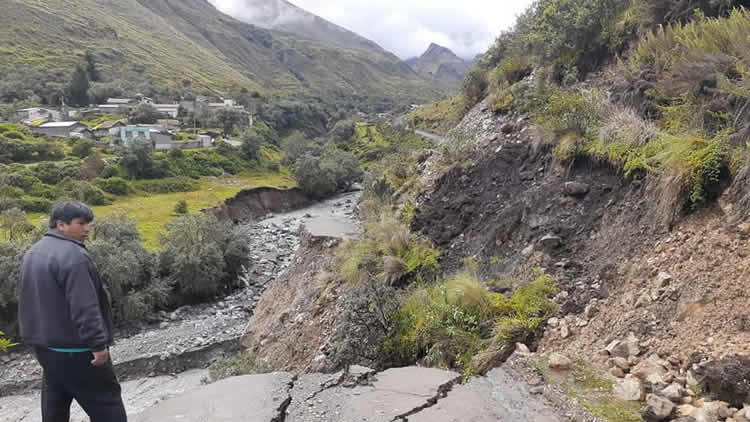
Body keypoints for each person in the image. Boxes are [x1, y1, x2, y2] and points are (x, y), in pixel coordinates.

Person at [18, 201, 126, 422]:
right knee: (107, 405)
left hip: (46, 348)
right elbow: (85, 306)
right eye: (81, 223)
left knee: (55, 407)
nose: (87, 229)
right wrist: (98, 346)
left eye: (88, 223)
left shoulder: (33, 252)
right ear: (61, 225)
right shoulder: (73, 256)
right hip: (77, 350)